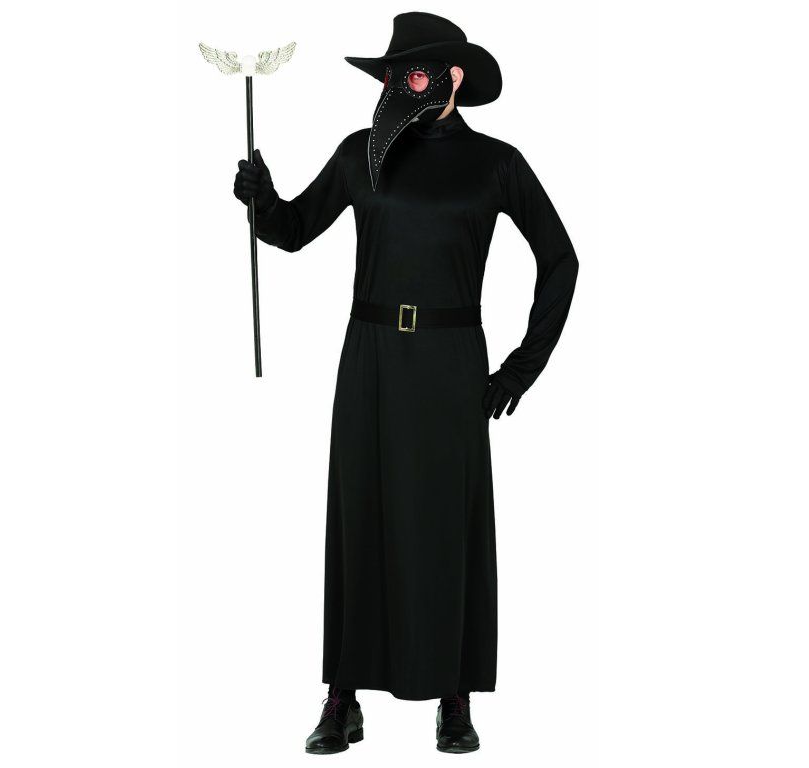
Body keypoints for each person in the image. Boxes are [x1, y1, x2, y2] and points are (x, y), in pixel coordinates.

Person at [232, 12, 579, 754]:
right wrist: (261, 198)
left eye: (415, 72)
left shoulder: (495, 163)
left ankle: (454, 696)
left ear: (454, 77)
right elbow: (293, 229)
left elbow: (561, 259)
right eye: (394, 74)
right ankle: (343, 697)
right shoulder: (361, 153)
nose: (400, 84)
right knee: (360, 516)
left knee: (446, 523)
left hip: (451, 362)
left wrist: (524, 366)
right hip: (371, 356)